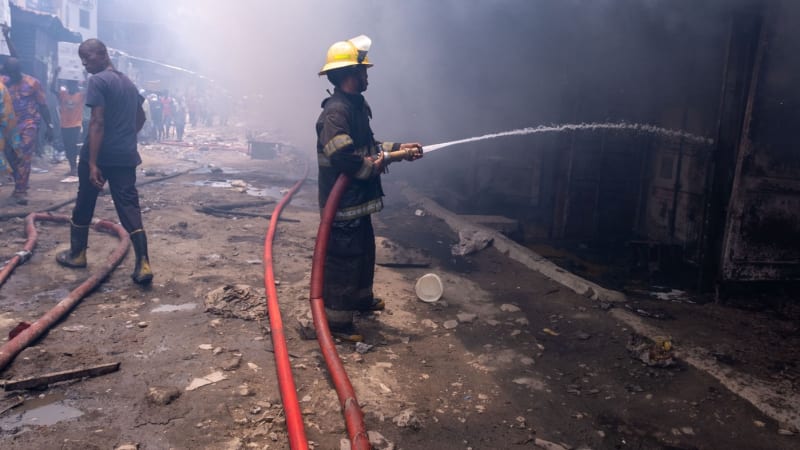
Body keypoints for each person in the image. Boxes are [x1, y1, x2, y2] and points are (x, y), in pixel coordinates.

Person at [316, 35, 423, 341]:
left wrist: (399, 148)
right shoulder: (336, 111)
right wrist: (373, 165)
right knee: (344, 260)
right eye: (364, 72)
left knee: (363, 253)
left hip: (357, 201)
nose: (367, 76)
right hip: (342, 204)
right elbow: (342, 155)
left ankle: (360, 300)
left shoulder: (356, 105)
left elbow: (369, 146)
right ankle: (337, 323)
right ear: (351, 74)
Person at [56, 38, 154, 285]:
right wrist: (125, 135)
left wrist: (92, 163)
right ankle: (143, 262)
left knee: (85, 200)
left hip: (99, 153)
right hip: (125, 155)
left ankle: (77, 254)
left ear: (102, 55)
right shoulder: (128, 83)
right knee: (129, 205)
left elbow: (97, 122)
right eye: (82, 59)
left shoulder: (98, 81)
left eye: (87, 57)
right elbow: (140, 117)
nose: (84, 63)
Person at [51, 68, 85, 176]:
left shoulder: (80, 95)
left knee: (73, 145)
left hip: (76, 124)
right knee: (67, 146)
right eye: (69, 85)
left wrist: (86, 76)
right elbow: (52, 89)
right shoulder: (63, 94)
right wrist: (55, 74)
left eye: (73, 85)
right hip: (64, 125)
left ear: (76, 85)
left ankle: (74, 167)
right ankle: (72, 167)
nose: (71, 87)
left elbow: (90, 90)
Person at [0, 81, 19, 193]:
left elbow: (4, 113)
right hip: (7, 127)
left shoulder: (1, 87)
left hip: (5, 127)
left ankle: (19, 185)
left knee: (11, 153)